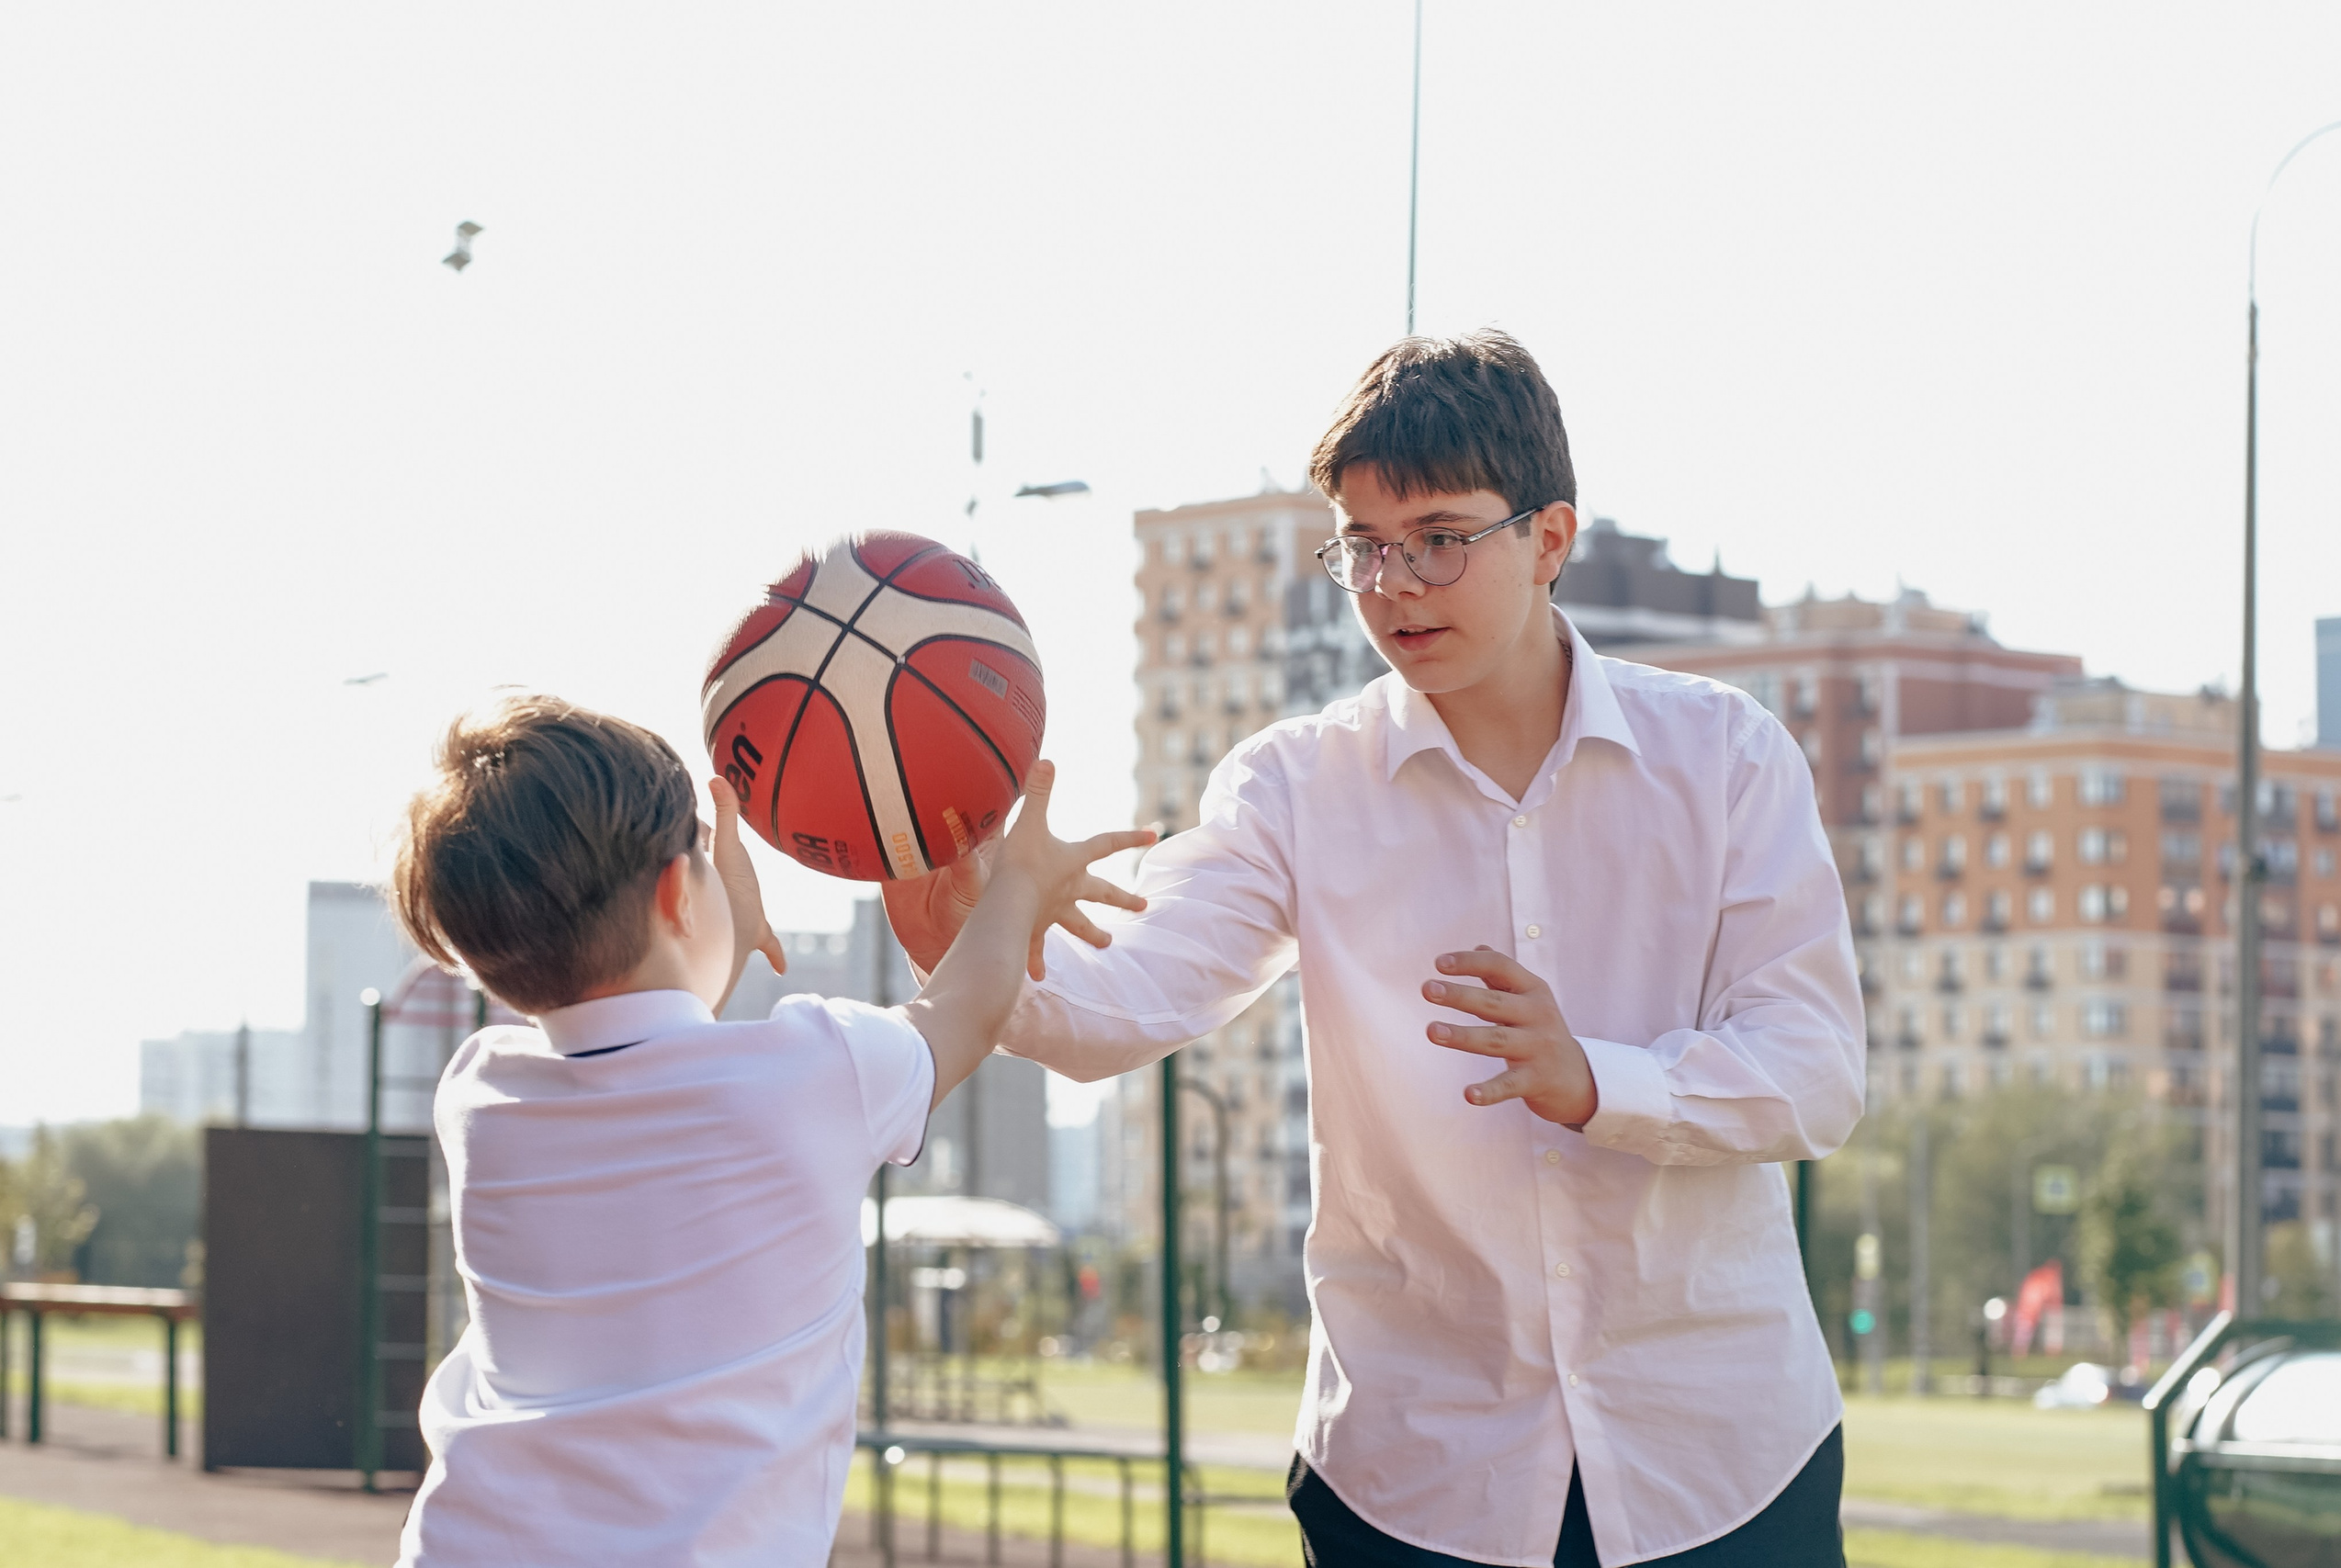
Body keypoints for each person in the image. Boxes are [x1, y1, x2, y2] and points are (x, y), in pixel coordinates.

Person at [884, 331, 1865, 1567]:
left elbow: (1816, 1066)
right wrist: (987, 956)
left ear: (1550, 538)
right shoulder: (1296, 785)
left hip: (1721, 1462)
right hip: (1416, 1480)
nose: (1395, 582)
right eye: (1364, 544)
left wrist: (1599, 1079)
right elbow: (1124, 999)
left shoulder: (1725, 756)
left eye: (1440, 537)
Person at [386, 695, 1149, 1567]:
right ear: (678, 892)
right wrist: (1020, 881)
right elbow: (966, 1011)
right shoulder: (818, 1073)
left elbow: (643, 1059)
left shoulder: (481, 1096)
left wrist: (701, 934)